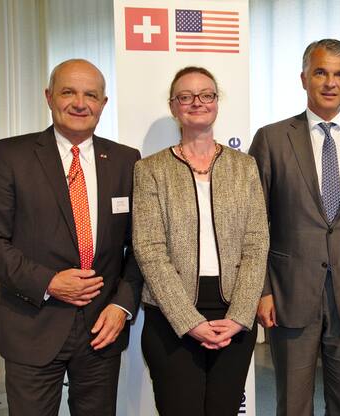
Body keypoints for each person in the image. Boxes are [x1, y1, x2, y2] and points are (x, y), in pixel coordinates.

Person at [0, 59, 143, 415]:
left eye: (90, 95)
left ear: (103, 103)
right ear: (49, 97)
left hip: (101, 329)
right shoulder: (11, 155)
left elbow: (141, 246)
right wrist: (48, 282)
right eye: (68, 92)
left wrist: (122, 306)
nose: (80, 103)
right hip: (33, 325)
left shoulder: (126, 160)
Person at [248, 38, 340, 415]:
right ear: (303, 79)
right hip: (289, 295)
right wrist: (262, 290)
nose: (331, 82)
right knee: (293, 404)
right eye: (320, 73)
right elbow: (253, 224)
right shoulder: (272, 138)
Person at [132, 66, 269, 416]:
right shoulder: (150, 170)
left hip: (232, 315)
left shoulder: (245, 167)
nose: (197, 102)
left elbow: (256, 244)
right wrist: (187, 321)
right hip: (170, 317)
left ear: (217, 102)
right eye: (186, 96)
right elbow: (149, 249)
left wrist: (240, 315)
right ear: (173, 106)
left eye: (206, 95)